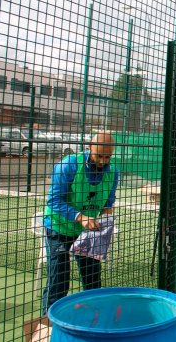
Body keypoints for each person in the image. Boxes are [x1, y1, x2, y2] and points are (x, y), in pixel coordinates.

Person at [42, 132, 119, 314]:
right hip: (60, 227)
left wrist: (106, 223)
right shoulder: (68, 165)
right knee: (59, 280)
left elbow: (108, 203)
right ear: (89, 147)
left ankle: (94, 318)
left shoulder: (112, 172)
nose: (103, 161)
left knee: (93, 278)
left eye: (107, 157)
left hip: (87, 232)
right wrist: (81, 217)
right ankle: (49, 324)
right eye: (99, 156)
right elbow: (54, 201)